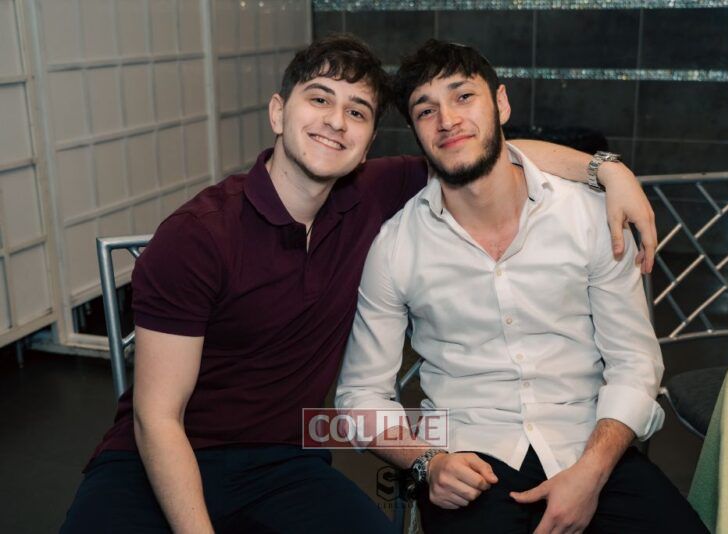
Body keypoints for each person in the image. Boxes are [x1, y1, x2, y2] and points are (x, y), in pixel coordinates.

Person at [61, 35, 657, 534]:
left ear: (369, 142)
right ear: (278, 112)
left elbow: (482, 150)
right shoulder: (199, 235)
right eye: (319, 99)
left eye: (357, 111)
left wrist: (608, 171)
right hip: (155, 461)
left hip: (282, 464)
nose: (335, 122)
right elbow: (156, 420)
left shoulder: (371, 196)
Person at [336, 40, 707, 534]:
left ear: (501, 103)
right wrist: (427, 461)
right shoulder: (397, 246)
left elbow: (635, 363)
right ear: (416, 132)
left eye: (463, 96)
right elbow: (359, 396)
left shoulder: (587, 215)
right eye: (426, 110)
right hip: (470, 463)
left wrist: (592, 473)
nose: (447, 120)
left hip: (590, 446)